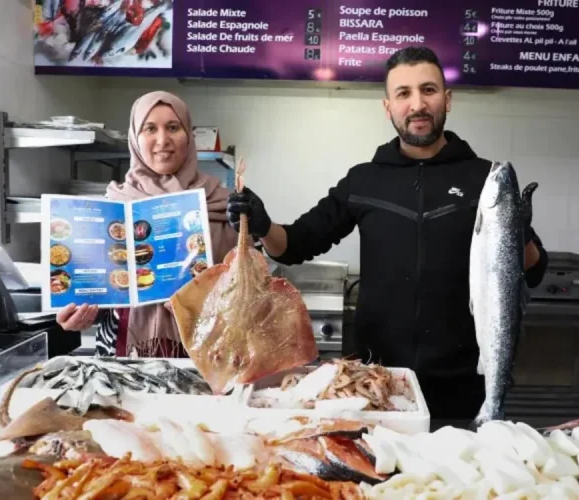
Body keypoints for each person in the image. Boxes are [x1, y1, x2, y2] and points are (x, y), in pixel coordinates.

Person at [226, 46, 549, 419]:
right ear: (388, 107)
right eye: (403, 94)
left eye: (428, 90)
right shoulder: (364, 179)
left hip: (463, 384)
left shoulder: (487, 179)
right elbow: (296, 244)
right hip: (378, 383)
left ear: (447, 99)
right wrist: (264, 226)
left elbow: (535, 270)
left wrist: (516, 231)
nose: (417, 104)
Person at [56, 91, 238, 358]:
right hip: (124, 360)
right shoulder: (111, 208)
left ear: (188, 135)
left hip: (208, 357)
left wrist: (205, 302)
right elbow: (99, 290)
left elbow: (245, 295)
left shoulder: (223, 205)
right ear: (135, 138)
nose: (162, 140)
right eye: (150, 128)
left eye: (173, 128)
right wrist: (76, 315)